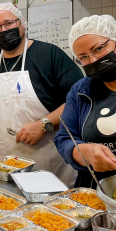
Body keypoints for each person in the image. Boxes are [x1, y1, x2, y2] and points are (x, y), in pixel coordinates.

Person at [0, 2, 83, 186]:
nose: (4, 30)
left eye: (9, 23)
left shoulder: (50, 55)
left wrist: (44, 124)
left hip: (45, 164)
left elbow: (79, 100)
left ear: (22, 23)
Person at [54, 15, 116, 188]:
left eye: (98, 49)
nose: (93, 61)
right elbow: (65, 138)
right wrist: (84, 153)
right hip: (96, 192)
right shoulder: (81, 91)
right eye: (83, 57)